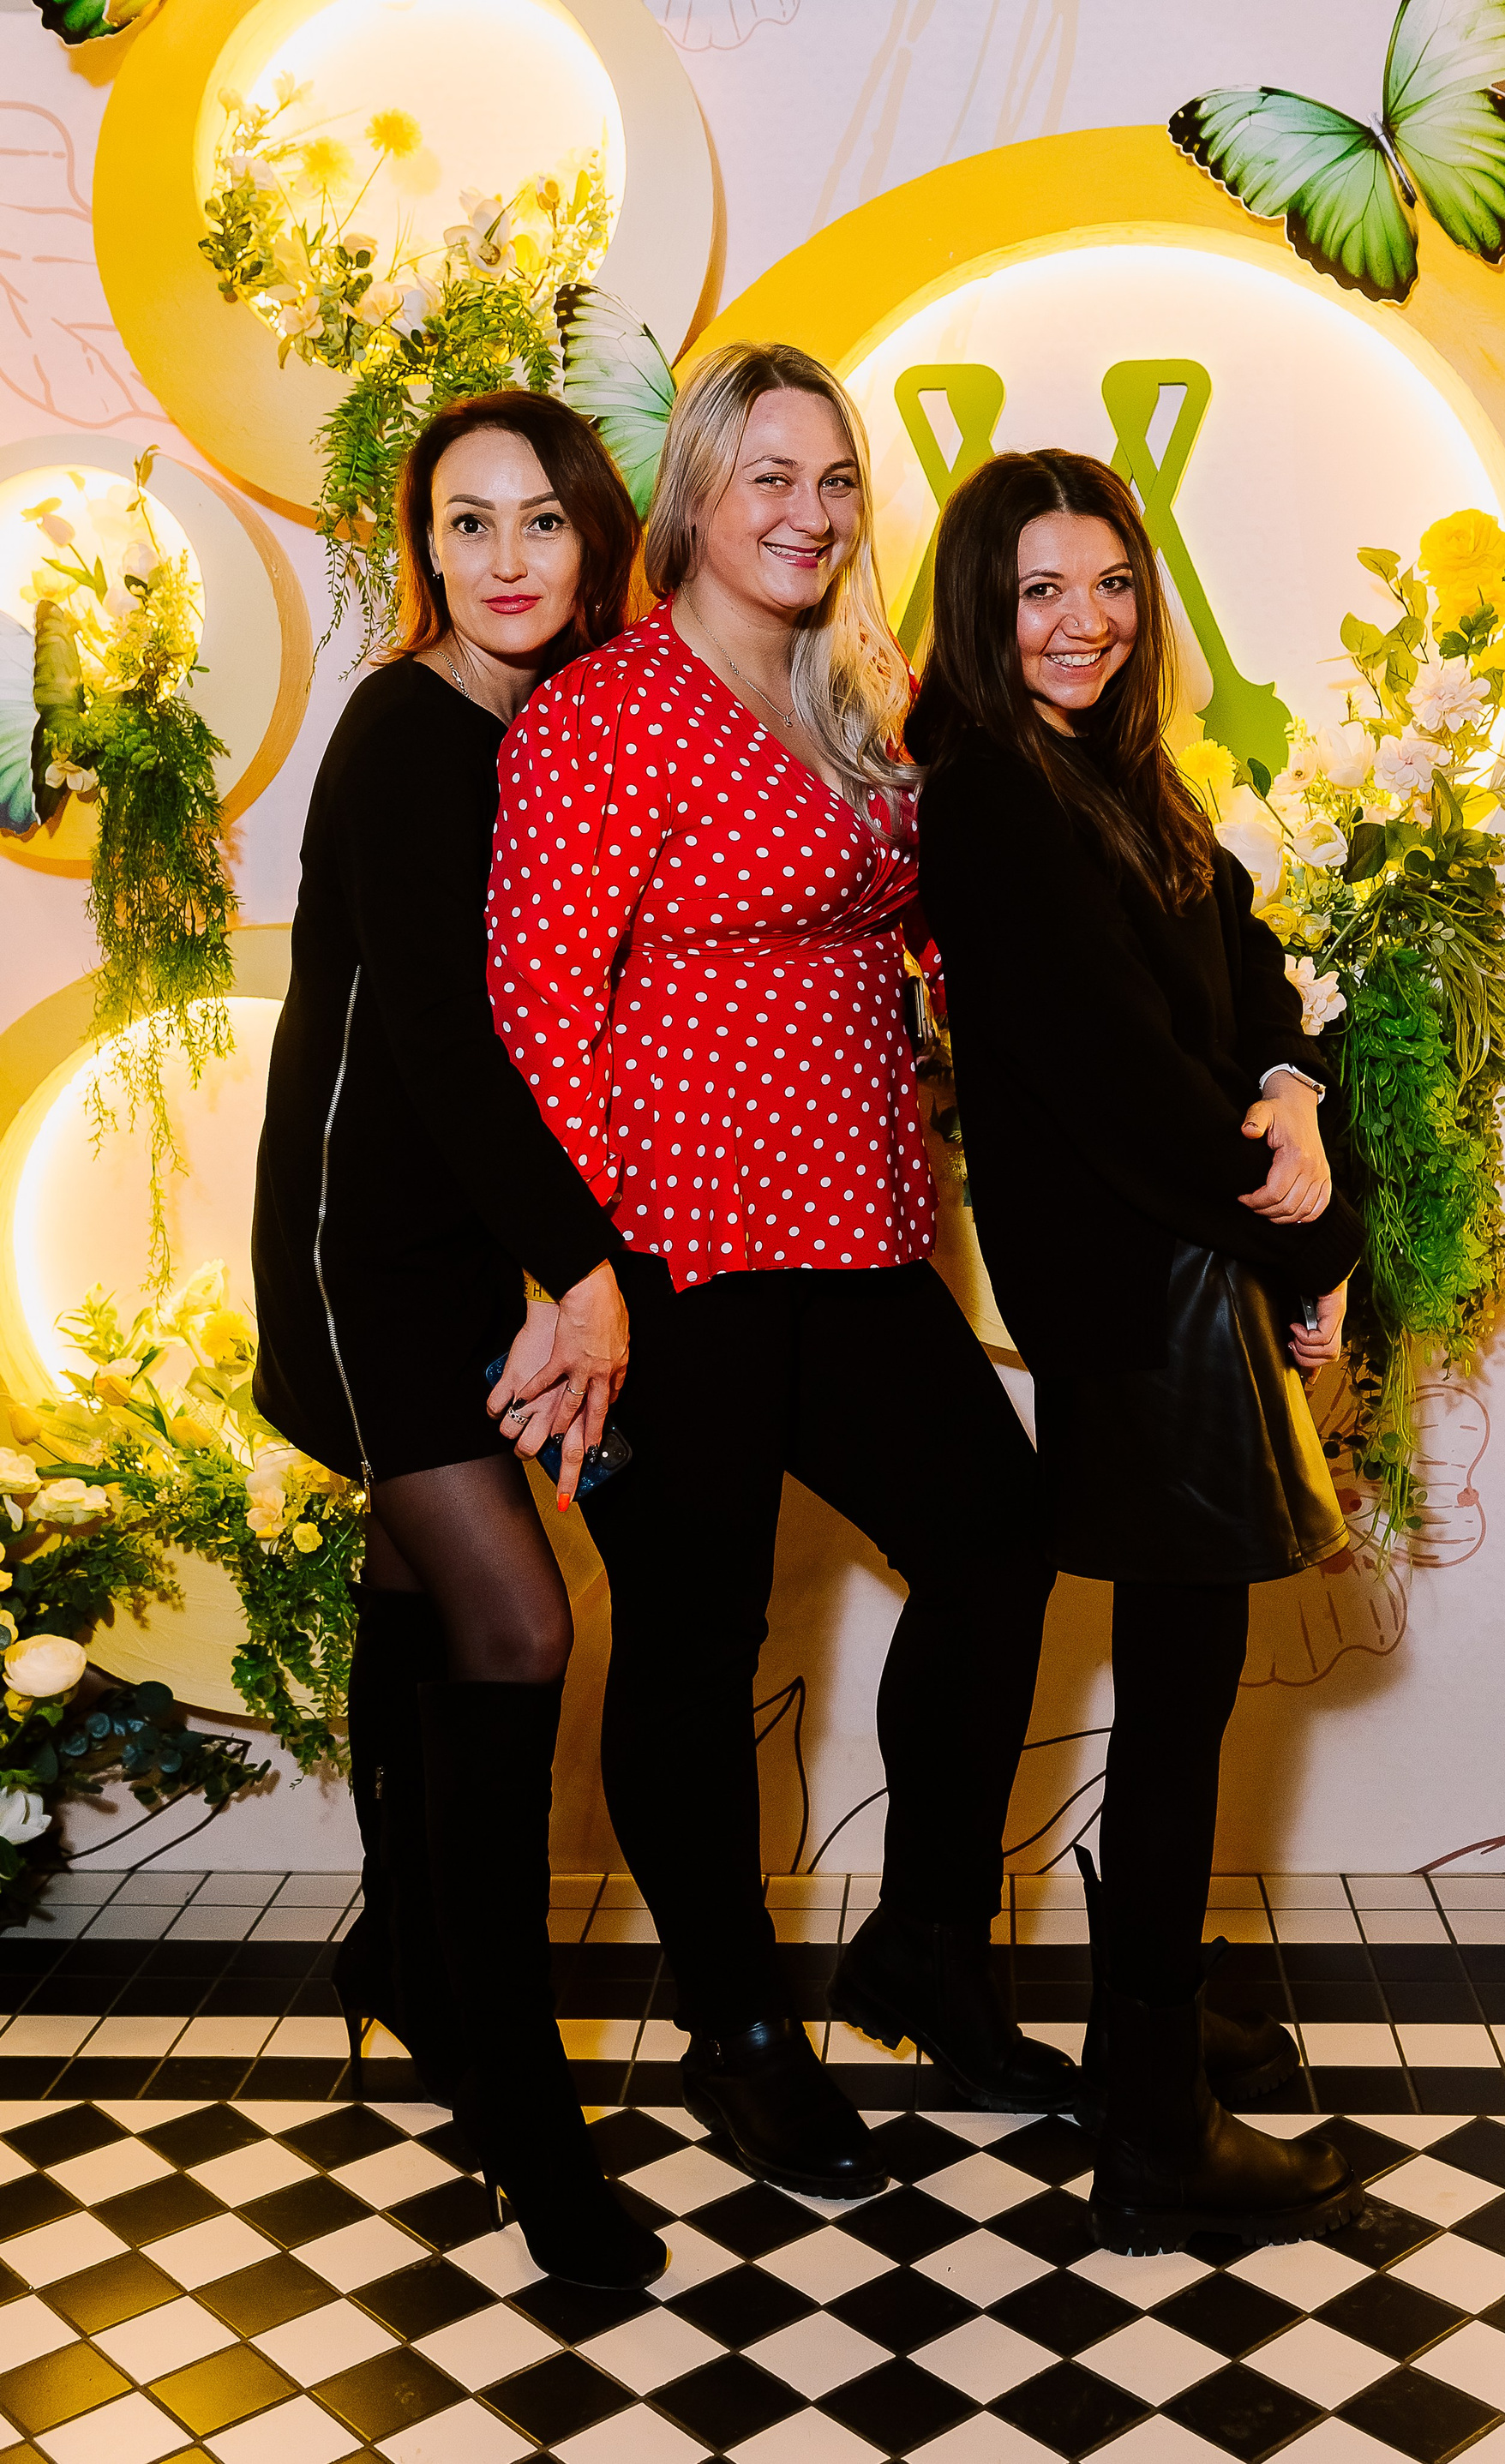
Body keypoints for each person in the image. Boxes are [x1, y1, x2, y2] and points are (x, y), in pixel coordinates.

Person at [484, 342, 1065, 2199]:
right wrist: (574, 1275)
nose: (810, 515)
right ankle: (737, 2024)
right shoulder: (604, 713)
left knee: (997, 1537)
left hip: (859, 1226)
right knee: (696, 1637)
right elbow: (532, 1016)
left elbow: (936, 919)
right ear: (696, 500)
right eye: (771, 478)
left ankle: (926, 1949)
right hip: (678, 1249)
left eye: (835, 482)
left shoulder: (853, 696)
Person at [909, 447, 1367, 2255]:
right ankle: (1156, 2124)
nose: (1083, 621)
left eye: (1109, 582)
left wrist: (1294, 1088)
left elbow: (1245, 974)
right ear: (982, 610)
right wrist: (1312, 1228)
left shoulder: (1114, 774)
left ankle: (1143, 2022)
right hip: (1139, 1300)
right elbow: (1126, 1094)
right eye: (1041, 591)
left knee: (1189, 1685)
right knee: (1180, 1699)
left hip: (1189, 1275)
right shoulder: (993, 802)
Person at [250, 392, 663, 2292]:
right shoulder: (411, 730)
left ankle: (409, 1958)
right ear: (423, 546)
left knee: (423, 1598)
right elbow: (435, 1033)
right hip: (369, 1249)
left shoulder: (564, 719)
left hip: (459, 1235)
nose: (505, 559)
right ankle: (519, 2104)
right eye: (466, 522)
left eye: (541, 521)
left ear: (592, 538)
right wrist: (577, 1267)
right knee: (521, 1626)